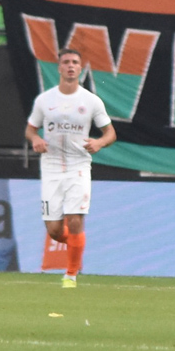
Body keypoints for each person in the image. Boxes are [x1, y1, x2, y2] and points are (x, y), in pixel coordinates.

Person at [26, 48, 116, 288]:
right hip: (51, 166)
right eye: (66, 62)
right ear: (59, 68)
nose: (70, 66)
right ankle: (78, 244)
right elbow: (30, 130)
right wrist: (35, 139)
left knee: (75, 220)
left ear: (80, 68)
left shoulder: (91, 101)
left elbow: (110, 133)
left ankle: (71, 274)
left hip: (79, 166)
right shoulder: (44, 100)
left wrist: (99, 142)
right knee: (54, 231)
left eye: (75, 62)